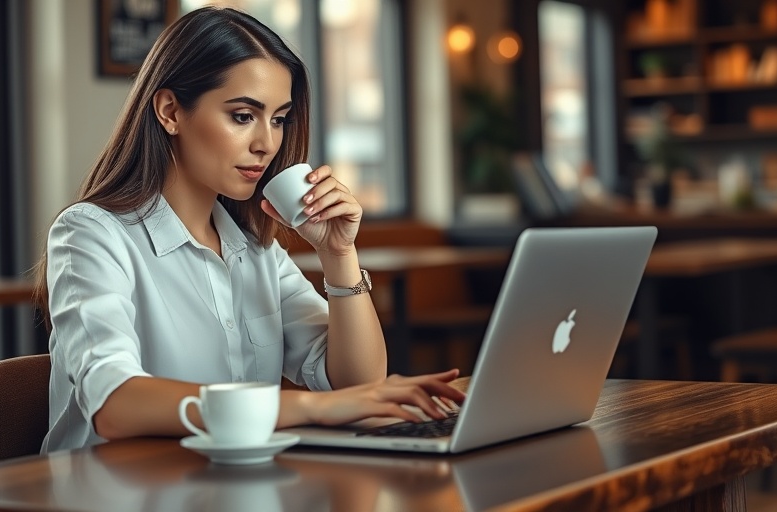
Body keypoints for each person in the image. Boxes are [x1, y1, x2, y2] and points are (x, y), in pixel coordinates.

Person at [34, 6, 464, 453]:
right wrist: (308, 409)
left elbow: (357, 384)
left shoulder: (256, 250)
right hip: (111, 492)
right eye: (243, 116)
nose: (267, 143)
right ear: (170, 112)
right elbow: (115, 403)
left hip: (226, 487)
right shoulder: (89, 235)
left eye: (278, 119)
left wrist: (340, 258)